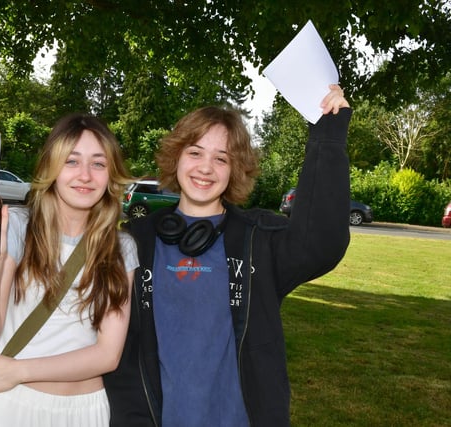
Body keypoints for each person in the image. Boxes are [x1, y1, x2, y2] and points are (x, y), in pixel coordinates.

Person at [104, 85, 351, 427]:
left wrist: (328, 137)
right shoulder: (136, 241)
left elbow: (322, 241)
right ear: (176, 157)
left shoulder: (258, 239)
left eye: (221, 158)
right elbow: (115, 351)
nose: (206, 168)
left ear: (235, 169)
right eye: (195, 152)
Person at [0, 113, 139, 426]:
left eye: (98, 163)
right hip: (14, 406)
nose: (85, 175)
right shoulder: (18, 226)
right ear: (51, 167)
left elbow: (108, 355)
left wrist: (20, 371)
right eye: (71, 161)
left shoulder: (121, 247)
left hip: (86, 411)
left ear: (111, 174)